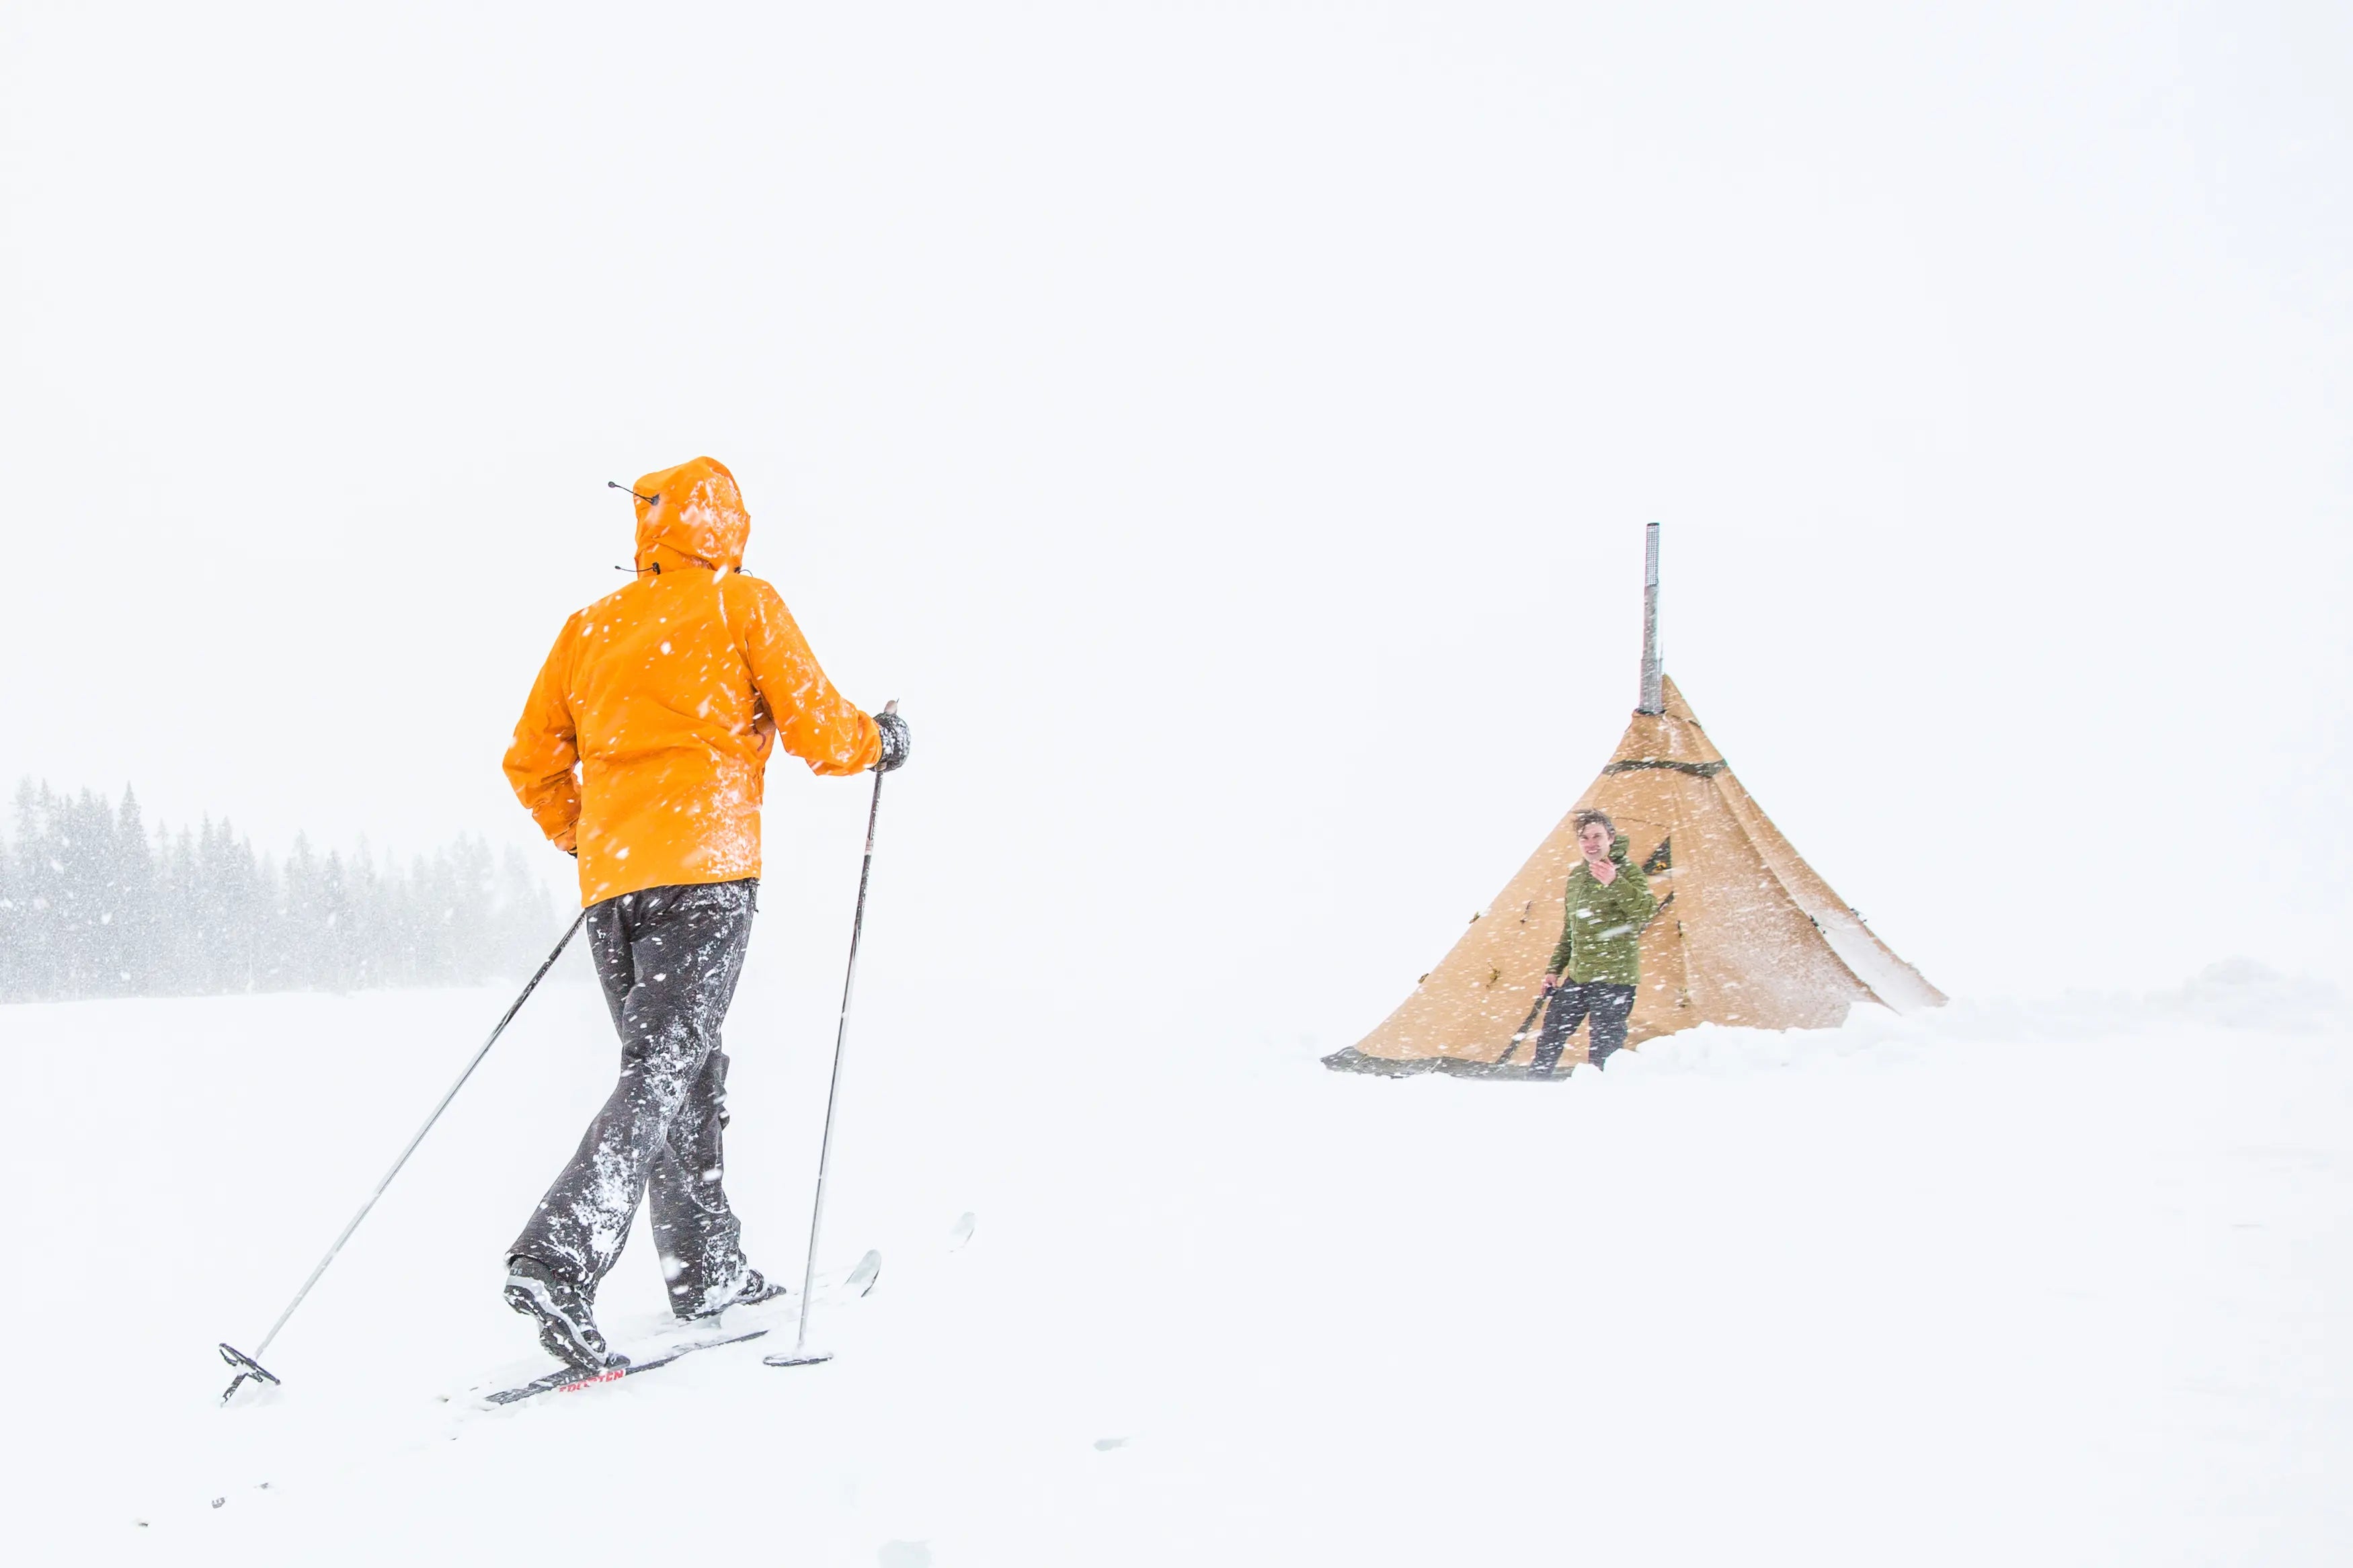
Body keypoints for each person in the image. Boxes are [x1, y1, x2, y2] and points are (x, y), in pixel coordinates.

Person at [497, 456, 910, 1372]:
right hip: (707, 870)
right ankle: (560, 1253)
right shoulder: (737, 603)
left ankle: (704, 1269)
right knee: (669, 1064)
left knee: (680, 1063)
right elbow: (814, 724)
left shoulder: (590, 628)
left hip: (616, 886)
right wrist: (879, 741)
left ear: (651, 524)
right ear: (726, 525)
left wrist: (591, 837)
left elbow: (530, 760)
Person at [1530, 809, 1656, 1077]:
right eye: (1584, 838)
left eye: (1597, 836)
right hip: (1580, 975)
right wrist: (1554, 969)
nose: (1591, 843)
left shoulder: (1628, 871)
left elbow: (1646, 911)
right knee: (1550, 1035)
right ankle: (1534, 1088)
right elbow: (1571, 929)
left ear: (1611, 838)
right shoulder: (1577, 876)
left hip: (1615, 977)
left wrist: (1615, 883)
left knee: (1604, 1051)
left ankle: (1600, 1102)